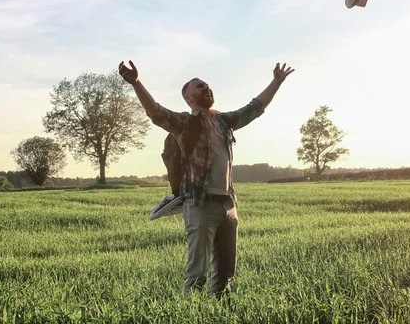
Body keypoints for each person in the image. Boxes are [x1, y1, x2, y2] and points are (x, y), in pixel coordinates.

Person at [118, 59, 294, 297]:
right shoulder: (185, 123)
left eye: (207, 85)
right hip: (199, 205)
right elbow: (156, 112)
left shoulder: (224, 122)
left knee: (226, 274)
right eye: (200, 87)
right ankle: (192, 314)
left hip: (228, 205)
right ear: (189, 98)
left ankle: (217, 313)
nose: (206, 88)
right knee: (197, 273)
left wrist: (276, 81)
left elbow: (255, 108)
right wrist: (137, 83)